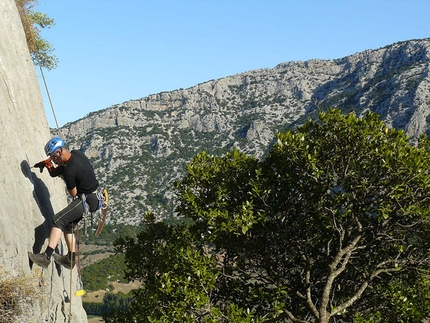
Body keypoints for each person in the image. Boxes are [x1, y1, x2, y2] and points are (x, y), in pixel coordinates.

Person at [28, 137, 100, 269]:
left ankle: (46, 257)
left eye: (53, 157)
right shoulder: (76, 153)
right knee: (68, 226)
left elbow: (73, 193)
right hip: (94, 198)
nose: (53, 160)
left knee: (58, 220)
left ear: (59, 151)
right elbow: (57, 172)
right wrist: (48, 165)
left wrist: (69, 179)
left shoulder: (69, 170)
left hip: (86, 200)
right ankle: (70, 260)